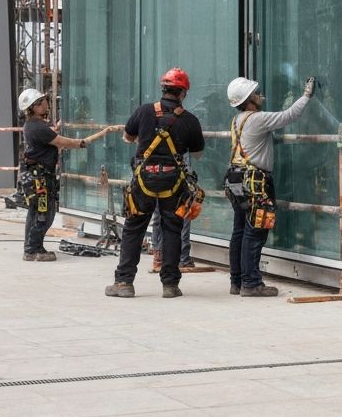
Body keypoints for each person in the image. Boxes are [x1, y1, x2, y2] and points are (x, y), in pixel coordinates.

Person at [106, 68, 205, 298]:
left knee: (134, 227)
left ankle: (124, 282)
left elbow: (127, 137)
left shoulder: (144, 111)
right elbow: (197, 153)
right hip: (173, 180)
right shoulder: (189, 119)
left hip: (144, 179)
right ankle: (170, 285)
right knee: (172, 228)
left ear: (163, 89)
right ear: (183, 93)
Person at [225, 73, 315, 296]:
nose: (259, 95)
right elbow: (289, 115)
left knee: (239, 230)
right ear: (248, 100)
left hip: (236, 179)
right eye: (255, 93)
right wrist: (306, 95)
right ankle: (251, 283)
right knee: (255, 231)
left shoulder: (237, 120)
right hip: (255, 181)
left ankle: (237, 281)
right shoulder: (257, 119)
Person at [20, 88, 111, 262]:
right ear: (35, 106)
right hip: (40, 177)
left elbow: (48, 139)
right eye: (43, 101)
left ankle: (31, 247)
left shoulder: (33, 125)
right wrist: (89, 140)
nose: (47, 103)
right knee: (44, 213)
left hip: (36, 174)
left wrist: (56, 129)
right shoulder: (38, 127)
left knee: (37, 212)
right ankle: (32, 249)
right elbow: (65, 143)